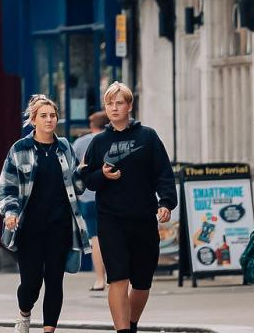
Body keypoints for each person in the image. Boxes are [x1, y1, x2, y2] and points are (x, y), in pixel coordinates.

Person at [78, 82, 176, 333]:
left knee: (142, 282)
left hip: (143, 217)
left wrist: (165, 203)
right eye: (109, 103)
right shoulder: (99, 142)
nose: (113, 108)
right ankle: (122, 330)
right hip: (112, 220)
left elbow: (163, 174)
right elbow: (86, 178)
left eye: (119, 102)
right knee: (118, 278)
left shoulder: (148, 137)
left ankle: (130, 324)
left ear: (129, 106)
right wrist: (102, 175)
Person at [0, 96, 91, 333]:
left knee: (54, 280)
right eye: (44, 116)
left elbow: (77, 187)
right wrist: (10, 212)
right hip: (30, 228)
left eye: (52, 115)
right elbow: (7, 187)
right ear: (33, 120)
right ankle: (24, 313)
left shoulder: (65, 148)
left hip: (59, 227)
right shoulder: (19, 149)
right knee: (31, 283)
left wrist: (83, 172)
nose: (49, 120)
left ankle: (49, 330)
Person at [72, 110, 110, 291]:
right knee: (114, 236)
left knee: (96, 238)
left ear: (92, 125)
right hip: (110, 195)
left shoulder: (80, 143)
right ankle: (116, 276)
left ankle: (99, 279)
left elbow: (73, 171)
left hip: (88, 198)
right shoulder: (112, 140)